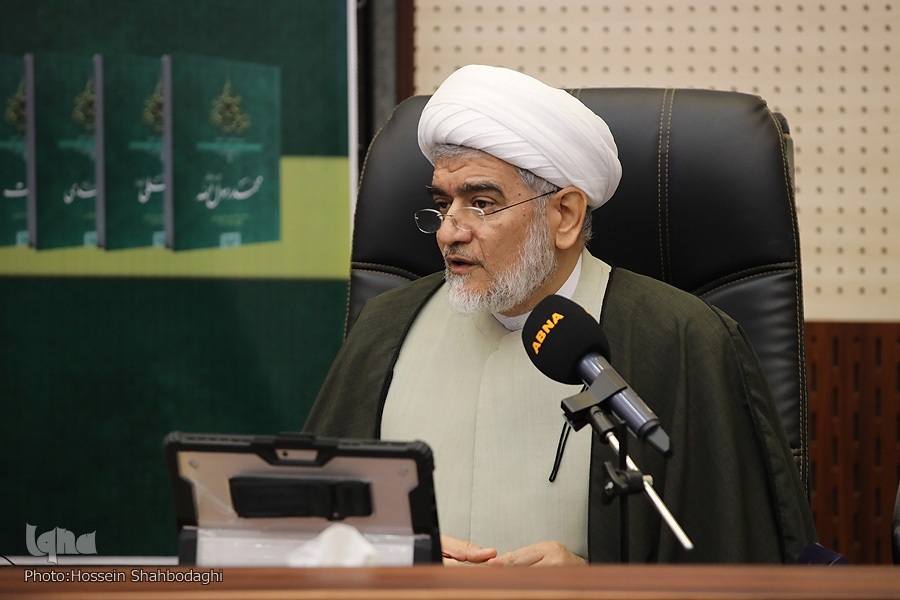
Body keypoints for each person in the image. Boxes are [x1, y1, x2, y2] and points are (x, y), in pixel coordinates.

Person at [303, 64, 817, 565]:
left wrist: (590, 584)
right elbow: (302, 529)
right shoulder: (385, 329)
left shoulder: (682, 338)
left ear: (565, 215)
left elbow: (727, 560)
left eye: (481, 203)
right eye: (443, 205)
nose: (448, 232)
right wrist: (395, 557)